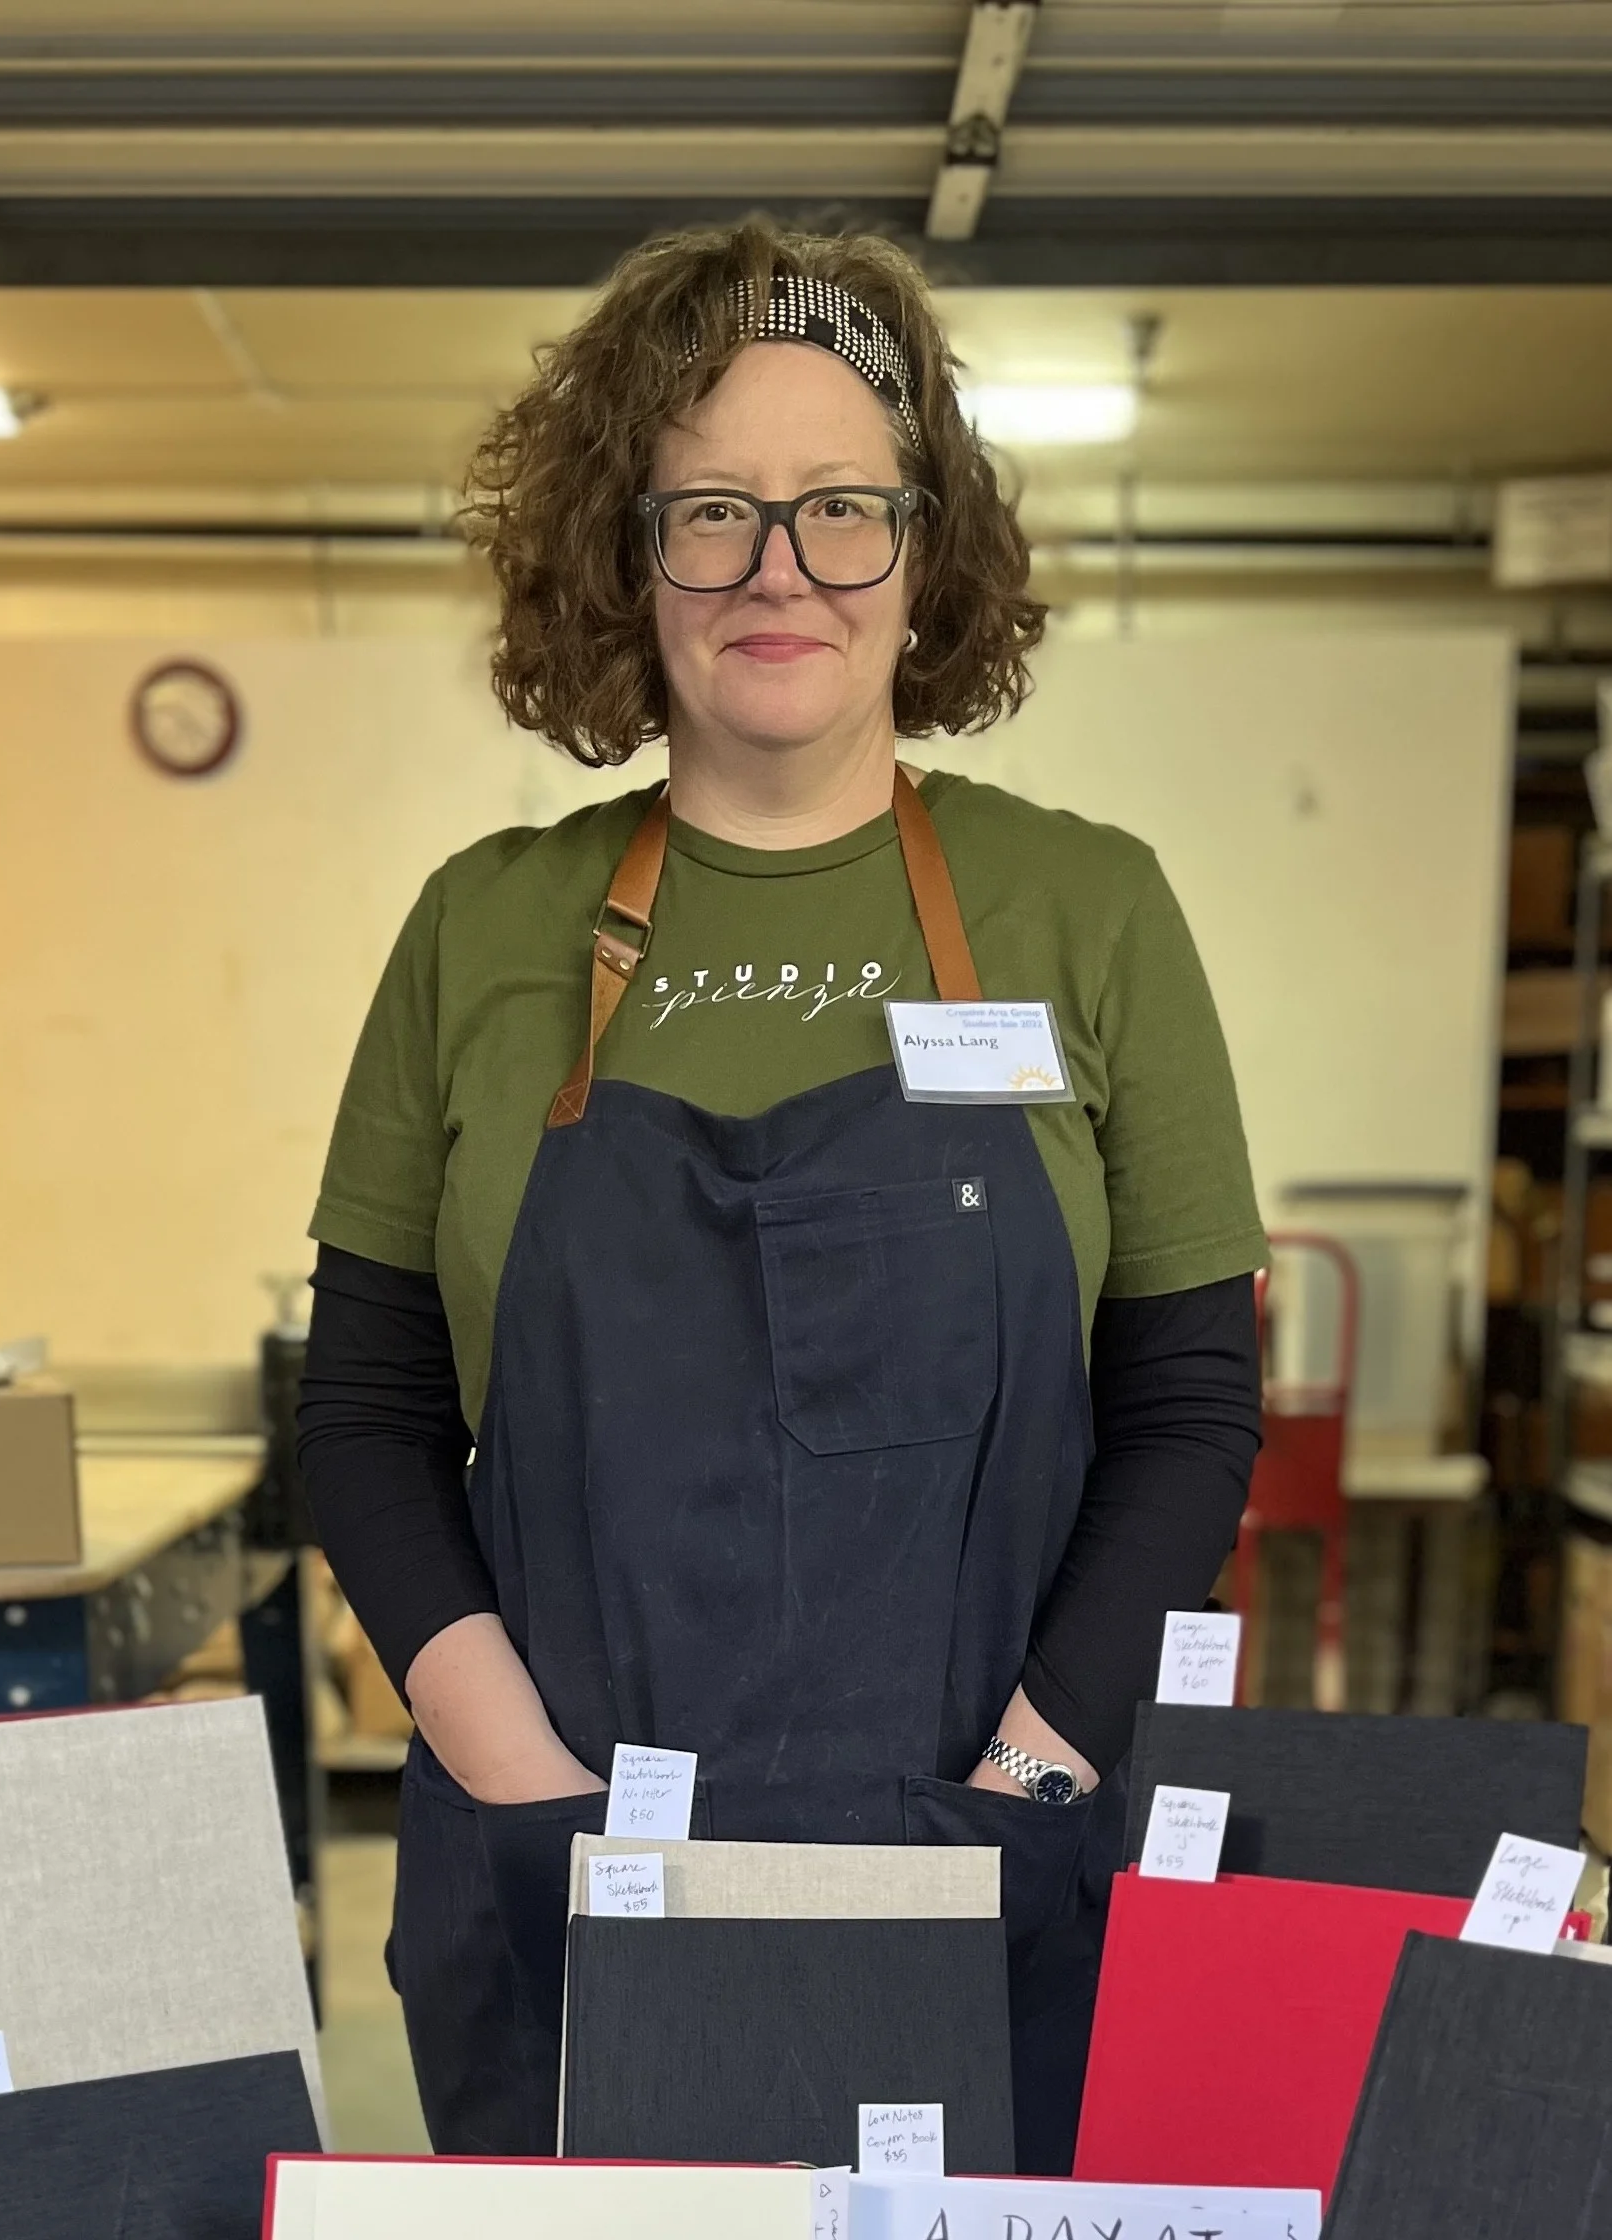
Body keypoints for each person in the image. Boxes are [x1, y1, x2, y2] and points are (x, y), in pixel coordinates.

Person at [297, 218, 1266, 2174]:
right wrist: (509, 1763)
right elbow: (366, 1415)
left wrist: (1032, 1759)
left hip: (987, 1858)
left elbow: (1185, 1408)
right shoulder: (481, 929)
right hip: (578, 1870)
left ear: (923, 547)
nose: (778, 573)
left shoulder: (1086, 909)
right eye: (710, 511)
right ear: (619, 550)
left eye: (840, 509)